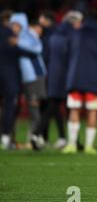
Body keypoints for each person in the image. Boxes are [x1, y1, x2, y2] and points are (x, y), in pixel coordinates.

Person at [62, 12, 97, 154]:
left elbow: (67, 53)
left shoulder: (75, 34)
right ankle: (89, 146)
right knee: (92, 110)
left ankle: (71, 145)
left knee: (74, 109)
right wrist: (96, 69)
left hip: (74, 77)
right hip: (92, 79)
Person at [41, 11, 83, 149]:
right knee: (65, 108)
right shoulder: (71, 36)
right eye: (79, 22)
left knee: (54, 107)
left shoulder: (54, 35)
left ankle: (58, 138)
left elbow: (46, 56)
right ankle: (68, 140)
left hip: (52, 76)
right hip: (66, 78)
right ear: (74, 22)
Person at [9, 14, 47, 151]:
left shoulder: (25, 37)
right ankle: (12, 138)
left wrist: (17, 43)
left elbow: (37, 49)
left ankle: (32, 138)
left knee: (33, 107)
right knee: (15, 107)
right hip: (23, 77)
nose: (13, 27)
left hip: (32, 77)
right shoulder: (18, 36)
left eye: (16, 24)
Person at [0, 10, 25, 149]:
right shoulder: (10, 35)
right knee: (10, 107)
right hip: (9, 76)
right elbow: (18, 51)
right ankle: (6, 138)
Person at [38, 10, 56, 144]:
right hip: (50, 74)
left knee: (48, 104)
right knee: (49, 105)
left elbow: (45, 56)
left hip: (47, 74)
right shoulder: (52, 35)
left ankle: (41, 135)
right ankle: (44, 137)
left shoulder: (48, 37)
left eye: (41, 19)